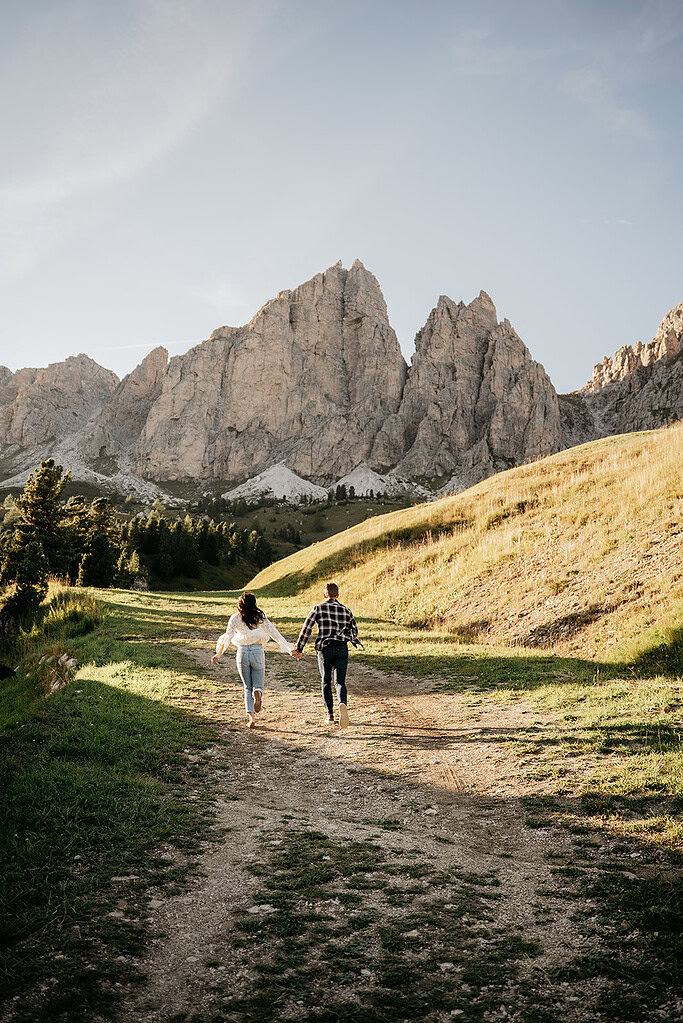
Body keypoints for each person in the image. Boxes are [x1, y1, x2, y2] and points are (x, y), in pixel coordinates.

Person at [212, 591, 293, 728]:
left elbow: (228, 637)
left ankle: (251, 718)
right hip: (257, 652)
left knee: (246, 687)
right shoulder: (260, 617)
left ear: (240, 605)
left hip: (242, 652)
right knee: (258, 683)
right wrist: (290, 649)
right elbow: (274, 633)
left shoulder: (235, 618)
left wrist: (218, 654)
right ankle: (259, 692)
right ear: (254, 603)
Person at [291, 582, 361, 728]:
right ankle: (342, 703)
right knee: (340, 682)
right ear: (338, 595)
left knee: (326, 681)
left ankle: (330, 715)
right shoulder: (346, 610)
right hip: (342, 648)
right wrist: (348, 636)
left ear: (324, 595)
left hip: (325, 649)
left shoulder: (318, 608)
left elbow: (306, 629)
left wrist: (299, 648)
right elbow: (354, 632)